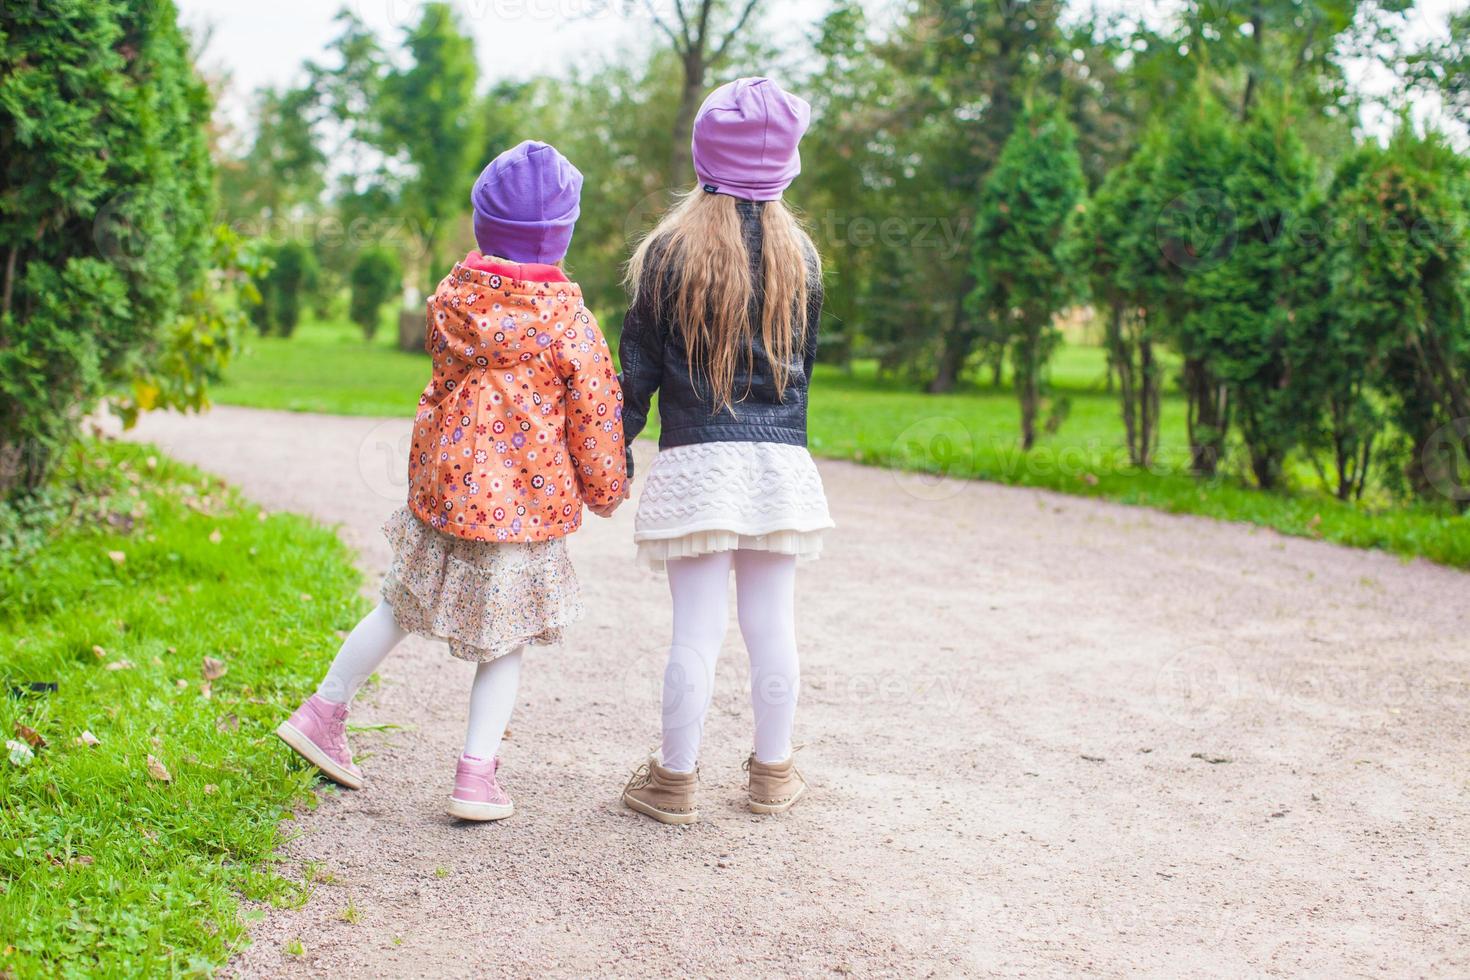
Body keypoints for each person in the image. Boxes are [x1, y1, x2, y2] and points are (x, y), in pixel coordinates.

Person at [276, 140, 627, 822]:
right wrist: (605, 488)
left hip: (446, 498)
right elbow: (595, 413)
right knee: (504, 639)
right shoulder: (570, 325)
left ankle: (323, 711)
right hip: (521, 512)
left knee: (397, 606)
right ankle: (475, 776)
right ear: (562, 236)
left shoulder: (452, 303)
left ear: (481, 226)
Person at [618, 78, 832, 825]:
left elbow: (634, 375)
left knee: (696, 630)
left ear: (705, 153)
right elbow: (802, 370)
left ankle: (674, 781)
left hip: (696, 464)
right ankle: (773, 773)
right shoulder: (800, 258)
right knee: (773, 624)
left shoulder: (664, 255)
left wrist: (613, 454)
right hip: (776, 467)